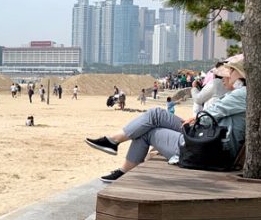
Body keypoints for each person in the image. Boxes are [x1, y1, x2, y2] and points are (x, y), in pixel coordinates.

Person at [85, 59, 247, 182]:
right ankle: (114, 144)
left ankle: (120, 160)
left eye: (231, 71)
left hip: (209, 148)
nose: (227, 75)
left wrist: (195, 119)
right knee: (155, 114)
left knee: (148, 132)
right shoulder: (243, 93)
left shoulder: (243, 93)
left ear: (242, 75)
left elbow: (211, 113)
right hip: (209, 139)